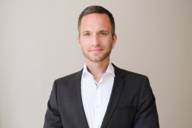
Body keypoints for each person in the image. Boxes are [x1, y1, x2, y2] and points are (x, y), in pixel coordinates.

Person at [43, 5, 159, 128]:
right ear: (79, 40)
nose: (95, 42)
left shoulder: (138, 86)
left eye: (103, 33)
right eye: (87, 34)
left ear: (113, 39)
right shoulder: (60, 89)